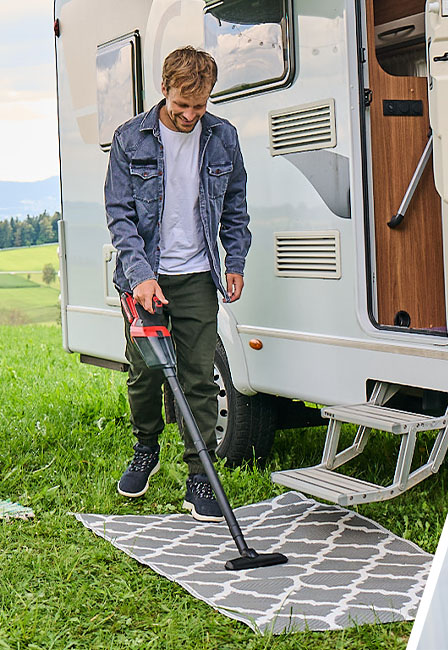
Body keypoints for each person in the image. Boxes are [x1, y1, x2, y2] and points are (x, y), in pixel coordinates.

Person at [104, 46, 251, 522]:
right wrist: (141, 276)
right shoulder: (131, 139)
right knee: (146, 372)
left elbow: (234, 205)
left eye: (200, 106)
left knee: (198, 377)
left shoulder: (223, 137)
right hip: (144, 277)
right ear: (163, 89)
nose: (190, 115)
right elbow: (120, 216)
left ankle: (199, 477)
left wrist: (235, 259)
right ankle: (146, 448)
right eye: (182, 105)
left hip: (196, 276)